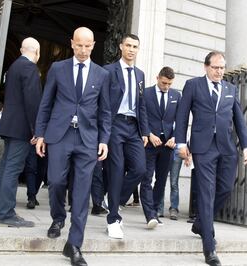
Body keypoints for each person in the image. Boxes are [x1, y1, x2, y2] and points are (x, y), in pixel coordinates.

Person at [35, 27, 111, 266]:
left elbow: (105, 110)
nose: (83, 50)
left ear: (93, 45)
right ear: (72, 43)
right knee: (56, 181)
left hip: (88, 139)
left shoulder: (102, 74)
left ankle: (74, 244)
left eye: (87, 46)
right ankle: (58, 218)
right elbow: (46, 103)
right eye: (79, 45)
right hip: (60, 135)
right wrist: (40, 134)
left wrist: (104, 140)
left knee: (81, 191)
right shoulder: (58, 69)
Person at [175, 51, 247, 266]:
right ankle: (209, 247)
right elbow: (182, 116)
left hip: (226, 147)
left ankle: (201, 222)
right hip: (203, 148)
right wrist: (181, 143)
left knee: (226, 188)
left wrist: (246, 145)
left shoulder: (230, 89)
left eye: (222, 68)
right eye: (216, 67)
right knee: (206, 193)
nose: (219, 71)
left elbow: (239, 119)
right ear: (206, 67)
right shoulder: (193, 85)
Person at [104, 33, 149, 239]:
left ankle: (115, 199)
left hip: (133, 128)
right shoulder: (108, 71)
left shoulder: (140, 74)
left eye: (135, 46)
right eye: (128, 45)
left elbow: (142, 105)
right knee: (117, 169)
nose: (131, 49)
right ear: (121, 46)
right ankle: (113, 219)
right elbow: (103, 104)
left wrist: (145, 131)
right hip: (115, 125)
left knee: (140, 169)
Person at [0, 37, 42, 227]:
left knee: (6, 168)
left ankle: (1, 210)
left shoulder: (14, 66)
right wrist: (36, 130)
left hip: (9, 126)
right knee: (12, 169)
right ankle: (6, 213)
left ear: (22, 49)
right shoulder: (29, 68)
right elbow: (32, 102)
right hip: (21, 128)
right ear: (36, 52)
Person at [140, 66, 181, 228]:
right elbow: (141, 117)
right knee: (147, 178)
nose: (166, 87)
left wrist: (175, 137)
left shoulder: (177, 96)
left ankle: (155, 212)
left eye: (169, 84)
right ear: (157, 78)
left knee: (162, 180)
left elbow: (181, 120)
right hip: (150, 143)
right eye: (164, 83)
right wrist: (149, 133)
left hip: (168, 146)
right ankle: (149, 214)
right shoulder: (146, 94)